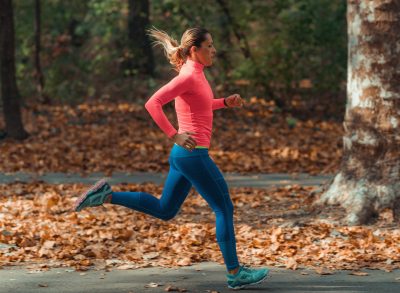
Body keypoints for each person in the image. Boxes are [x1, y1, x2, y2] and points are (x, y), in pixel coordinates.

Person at [74, 27, 269, 290]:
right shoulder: (188, 75)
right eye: (209, 46)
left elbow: (202, 104)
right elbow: (152, 103)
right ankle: (235, 273)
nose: (214, 50)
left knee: (165, 209)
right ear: (194, 50)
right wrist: (174, 134)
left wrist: (224, 102)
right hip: (192, 153)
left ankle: (107, 195)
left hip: (183, 157)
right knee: (224, 208)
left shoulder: (195, 74)